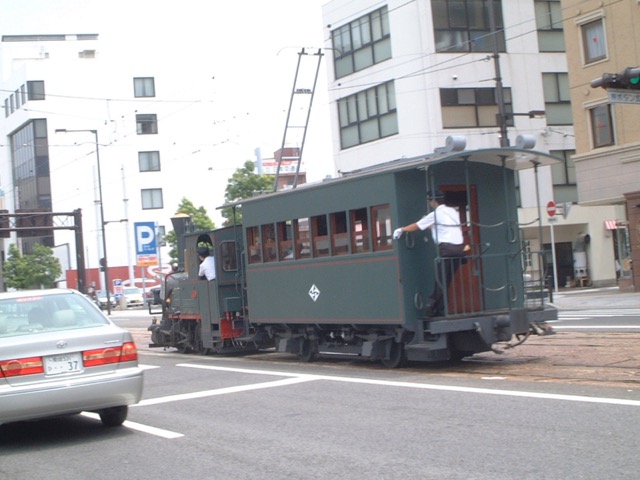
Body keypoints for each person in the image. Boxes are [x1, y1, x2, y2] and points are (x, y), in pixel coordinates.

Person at [392, 191, 470, 316]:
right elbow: (443, 227)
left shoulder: (435, 214)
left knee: (440, 280)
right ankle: (439, 308)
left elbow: (416, 226)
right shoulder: (452, 212)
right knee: (446, 280)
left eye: (430, 201)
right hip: (459, 250)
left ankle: (431, 305)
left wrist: (402, 229)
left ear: (434, 201)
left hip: (447, 250)